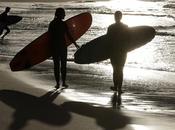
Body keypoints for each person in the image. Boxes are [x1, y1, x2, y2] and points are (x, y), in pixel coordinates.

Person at [48, 8, 79, 89]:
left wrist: (49, 49)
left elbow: (49, 37)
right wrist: (75, 44)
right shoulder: (63, 24)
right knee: (63, 65)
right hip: (62, 46)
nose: (64, 15)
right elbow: (68, 35)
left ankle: (58, 83)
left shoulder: (52, 23)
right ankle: (63, 83)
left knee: (56, 66)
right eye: (63, 13)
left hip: (55, 47)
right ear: (60, 14)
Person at [106, 11, 128, 106]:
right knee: (120, 69)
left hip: (113, 51)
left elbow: (107, 40)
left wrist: (106, 52)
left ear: (115, 17)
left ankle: (116, 87)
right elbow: (129, 40)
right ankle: (119, 88)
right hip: (122, 51)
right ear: (121, 17)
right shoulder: (125, 27)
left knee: (115, 69)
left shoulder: (110, 28)